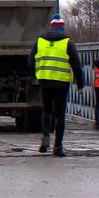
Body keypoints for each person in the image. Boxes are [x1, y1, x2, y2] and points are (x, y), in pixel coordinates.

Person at [28, 13, 84, 157]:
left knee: (46, 111)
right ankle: (58, 147)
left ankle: (45, 137)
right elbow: (77, 66)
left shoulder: (40, 41)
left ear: (51, 28)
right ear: (62, 28)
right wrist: (81, 84)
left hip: (45, 82)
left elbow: (30, 61)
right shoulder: (68, 43)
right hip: (62, 83)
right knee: (60, 115)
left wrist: (35, 76)